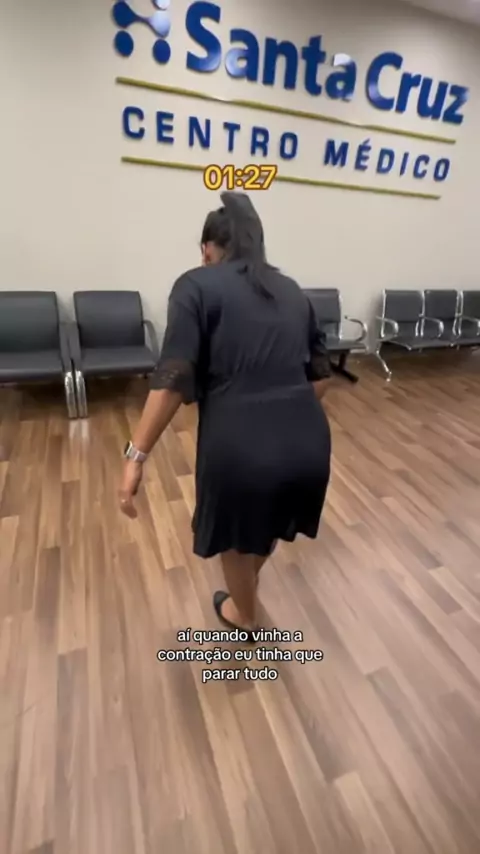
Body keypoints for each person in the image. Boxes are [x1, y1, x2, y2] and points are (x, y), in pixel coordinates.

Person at [119, 192, 332, 641]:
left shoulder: (195, 285)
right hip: (309, 444)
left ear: (207, 249)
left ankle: (244, 616)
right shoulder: (292, 290)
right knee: (270, 519)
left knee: (235, 536)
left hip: (239, 448)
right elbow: (320, 376)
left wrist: (136, 455)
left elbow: (173, 377)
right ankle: (246, 591)